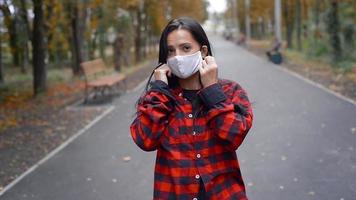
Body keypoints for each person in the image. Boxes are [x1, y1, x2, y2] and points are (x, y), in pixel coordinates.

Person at [130, 17, 254, 200]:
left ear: (203, 51)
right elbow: (145, 140)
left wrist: (212, 90)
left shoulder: (230, 91)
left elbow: (234, 136)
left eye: (185, 48)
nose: (177, 57)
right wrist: (160, 91)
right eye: (171, 51)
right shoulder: (159, 98)